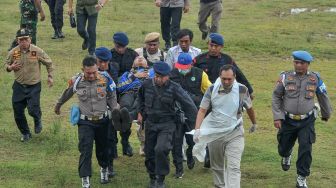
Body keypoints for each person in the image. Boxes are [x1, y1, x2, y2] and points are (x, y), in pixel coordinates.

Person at [54, 56, 119, 188]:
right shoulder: (76, 80)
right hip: (85, 122)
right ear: (82, 69)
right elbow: (67, 93)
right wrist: (58, 105)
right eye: (88, 73)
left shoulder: (106, 78)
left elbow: (112, 95)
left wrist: (115, 111)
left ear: (97, 69)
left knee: (103, 148)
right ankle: (85, 178)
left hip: (103, 121)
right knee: (85, 149)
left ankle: (104, 168)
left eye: (94, 72)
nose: (91, 75)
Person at [272, 51, 332, 188]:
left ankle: (301, 177)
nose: (298, 65)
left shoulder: (315, 78)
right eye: (296, 62)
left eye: (302, 63)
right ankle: (286, 154)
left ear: (307, 64)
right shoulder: (284, 77)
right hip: (288, 120)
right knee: (283, 147)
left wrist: (326, 113)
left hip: (307, 120)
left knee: (306, 148)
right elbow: (276, 96)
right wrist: (277, 116)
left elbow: (323, 95)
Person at [193, 64, 257, 188]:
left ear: (234, 77)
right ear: (219, 77)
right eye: (224, 79)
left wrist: (254, 123)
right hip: (216, 133)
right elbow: (202, 110)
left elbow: (249, 107)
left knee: (234, 167)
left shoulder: (242, 90)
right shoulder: (211, 90)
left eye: (229, 79)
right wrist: (197, 129)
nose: (226, 82)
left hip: (235, 133)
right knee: (217, 167)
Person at [137, 61, 198, 188]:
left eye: (162, 77)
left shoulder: (175, 87)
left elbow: (189, 105)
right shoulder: (146, 84)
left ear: (167, 76)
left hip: (167, 123)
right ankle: (152, 177)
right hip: (151, 123)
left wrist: (196, 124)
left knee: (161, 149)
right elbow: (140, 98)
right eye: (157, 76)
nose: (159, 79)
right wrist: (140, 113)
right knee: (149, 152)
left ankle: (161, 179)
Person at [4, 29, 53, 142]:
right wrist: (10, 68)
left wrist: (50, 76)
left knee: (32, 110)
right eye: (21, 40)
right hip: (19, 86)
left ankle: (37, 119)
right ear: (17, 41)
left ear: (30, 39)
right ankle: (26, 133)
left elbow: (49, 63)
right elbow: (6, 64)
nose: (24, 42)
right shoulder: (13, 52)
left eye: (26, 39)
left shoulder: (37, 51)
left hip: (34, 86)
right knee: (18, 112)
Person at [169, 53, 211, 178]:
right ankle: (178, 169)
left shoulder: (200, 74)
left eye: (185, 66)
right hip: (175, 113)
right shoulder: (171, 74)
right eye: (180, 66)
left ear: (191, 64)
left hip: (193, 112)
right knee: (176, 142)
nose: (182, 69)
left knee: (192, 140)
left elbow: (209, 91)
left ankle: (190, 153)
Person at [117, 56, 155, 156]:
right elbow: (120, 87)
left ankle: (123, 121)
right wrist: (134, 76)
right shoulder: (127, 74)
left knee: (136, 106)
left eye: (142, 58)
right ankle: (124, 133)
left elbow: (157, 84)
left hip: (143, 93)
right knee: (125, 106)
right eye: (137, 58)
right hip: (128, 93)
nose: (140, 59)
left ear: (147, 64)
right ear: (133, 64)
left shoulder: (152, 72)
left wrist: (148, 78)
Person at [94, 47, 118, 178]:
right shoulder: (89, 72)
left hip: (109, 110)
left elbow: (113, 91)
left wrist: (114, 107)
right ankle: (104, 165)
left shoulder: (111, 71)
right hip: (94, 112)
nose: (103, 64)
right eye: (100, 61)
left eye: (105, 62)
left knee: (111, 139)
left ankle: (109, 165)